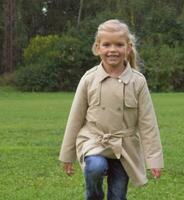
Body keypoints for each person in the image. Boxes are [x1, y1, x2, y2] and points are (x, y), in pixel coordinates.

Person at [59, 19, 164, 200]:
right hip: (93, 142)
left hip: (125, 148)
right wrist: (67, 155)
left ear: (128, 48)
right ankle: (94, 195)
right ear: (97, 48)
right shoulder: (88, 79)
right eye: (106, 44)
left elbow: (148, 123)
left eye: (119, 44)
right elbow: (75, 119)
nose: (112, 50)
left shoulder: (138, 82)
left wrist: (154, 160)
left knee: (117, 196)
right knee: (95, 167)